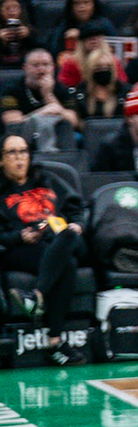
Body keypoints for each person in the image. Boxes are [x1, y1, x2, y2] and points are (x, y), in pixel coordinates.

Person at [0, 134, 85, 356]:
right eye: (11, 152)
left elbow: (76, 207)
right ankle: (55, 342)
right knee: (68, 263)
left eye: (23, 151)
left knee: (68, 236)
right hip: (24, 249)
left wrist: (78, 225)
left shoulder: (48, 179)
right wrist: (19, 236)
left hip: (60, 239)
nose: (19, 157)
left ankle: (36, 295)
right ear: (1, 159)